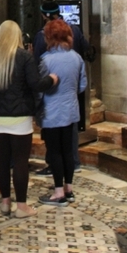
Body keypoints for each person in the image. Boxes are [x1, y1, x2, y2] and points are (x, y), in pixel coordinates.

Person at [0, 20, 58, 219]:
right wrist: (52, 79)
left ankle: (5, 203)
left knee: (2, 158)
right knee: (20, 160)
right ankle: (21, 206)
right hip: (19, 115)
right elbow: (36, 84)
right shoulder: (23, 57)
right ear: (17, 36)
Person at [33, 0, 95, 175]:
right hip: (71, 90)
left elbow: (37, 65)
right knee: (70, 130)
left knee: (52, 134)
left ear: (44, 15)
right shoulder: (75, 30)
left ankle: (54, 166)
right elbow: (87, 51)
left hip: (51, 92)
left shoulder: (42, 37)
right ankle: (73, 163)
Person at [38, 19, 87, 206]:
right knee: (68, 150)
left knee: (55, 152)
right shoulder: (77, 58)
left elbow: (41, 88)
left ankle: (58, 193)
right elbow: (82, 86)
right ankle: (69, 189)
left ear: (49, 37)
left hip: (51, 111)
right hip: (70, 110)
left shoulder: (46, 60)